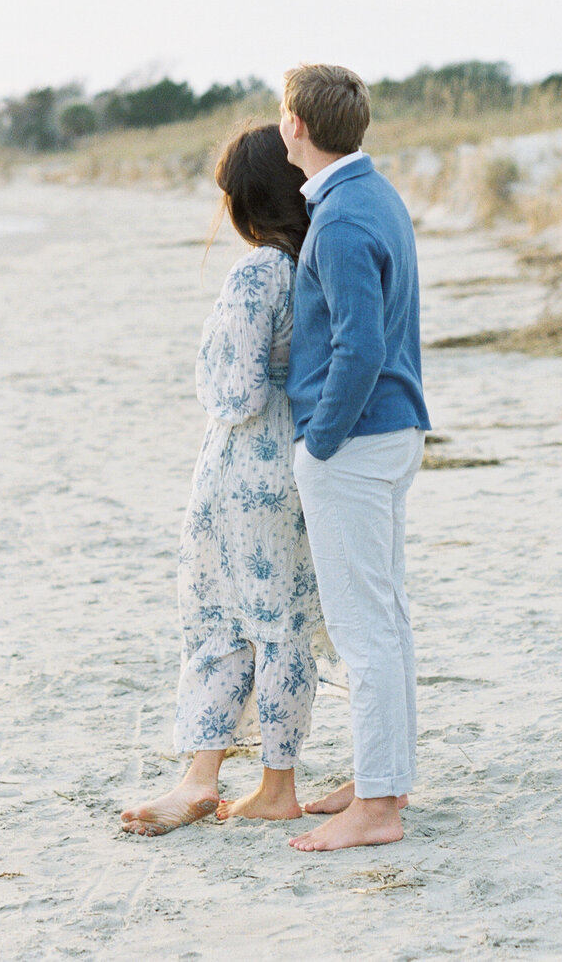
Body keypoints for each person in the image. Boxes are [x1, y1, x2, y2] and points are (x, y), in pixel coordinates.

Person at [121, 123, 327, 836]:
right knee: (284, 626)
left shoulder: (257, 271)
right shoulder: (316, 261)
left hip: (244, 462)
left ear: (245, 201)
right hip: (298, 455)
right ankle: (272, 781)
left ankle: (206, 777)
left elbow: (235, 392)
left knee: (222, 618)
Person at [279, 63, 431, 853]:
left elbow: (360, 344)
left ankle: (377, 808)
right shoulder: (373, 195)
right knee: (388, 619)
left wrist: (320, 439)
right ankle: (385, 778)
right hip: (392, 431)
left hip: (359, 439)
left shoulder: (337, 221)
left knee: (364, 628)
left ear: (294, 127)